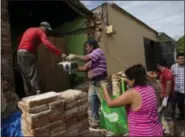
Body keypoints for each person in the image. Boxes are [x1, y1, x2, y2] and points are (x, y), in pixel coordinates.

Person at [101, 64, 163, 136]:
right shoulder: (149, 88)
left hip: (141, 133)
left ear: (133, 79)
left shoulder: (133, 93)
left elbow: (110, 104)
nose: (126, 80)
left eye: (127, 78)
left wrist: (104, 88)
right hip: (155, 130)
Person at [17, 21, 66, 96]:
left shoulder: (29, 29)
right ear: (43, 27)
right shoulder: (40, 32)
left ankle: (28, 95)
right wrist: (60, 53)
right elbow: (47, 43)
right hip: (27, 54)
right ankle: (37, 94)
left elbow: (20, 38)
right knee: (33, 74)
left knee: (24, 75)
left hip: (19, 53)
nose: (46, 32)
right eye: (47, 30)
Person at [66, 39, 107, 128]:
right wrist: (73, 68)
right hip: (93, 83)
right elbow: (84, 68)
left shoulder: (98, 51)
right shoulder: (92, 59)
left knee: (105, 103)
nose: (86, 49)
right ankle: (95, 122)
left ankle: (111, 121)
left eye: (87, 47)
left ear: (92, 46)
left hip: (100, 82)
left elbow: (85, 58)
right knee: (92, 103)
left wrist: (74, 56)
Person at [156, 59, 175, 136]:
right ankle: (163, 132)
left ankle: (172, 134)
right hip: (163, 97)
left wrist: (166, 98)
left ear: (158, 65)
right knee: (160, 115)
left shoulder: (167, 73)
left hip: (168, 99)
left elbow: (169, 86)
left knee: (169, 117)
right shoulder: (161, 72)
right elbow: (155, 77)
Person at [171, 52, 184, 120]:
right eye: (179, 58)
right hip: (178, 90)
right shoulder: (173, 67)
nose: (181, 60)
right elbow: (172, 78)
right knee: (180, 105)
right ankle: (182, 116)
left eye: (183, 58)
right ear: (177, 59)